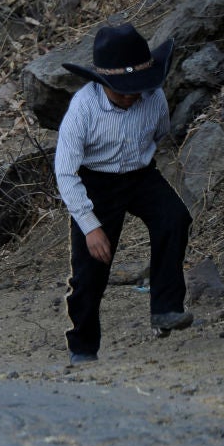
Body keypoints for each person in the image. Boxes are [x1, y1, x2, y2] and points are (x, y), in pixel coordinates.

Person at [54, 23, 193, 365]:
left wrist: (138, 164)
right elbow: (65, 171)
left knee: (174, 218)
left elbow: (159, 134)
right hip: (94, 182)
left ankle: (166, 308)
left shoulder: (154, 96)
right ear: (104, 84)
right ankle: (83, 347)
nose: (133, 95)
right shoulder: (83, 109)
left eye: (138, 88)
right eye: (123, 90)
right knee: (90, 269)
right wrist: (90, 225)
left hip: (140, 174)